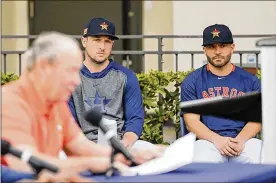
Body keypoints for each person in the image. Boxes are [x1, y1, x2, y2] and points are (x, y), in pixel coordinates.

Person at [2, 32, 164, 173]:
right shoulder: (9, 102)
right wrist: (93, 164)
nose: (76, 81)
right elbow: (24, 165)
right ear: (45, 67)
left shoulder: (55, 102)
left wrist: (130, 155)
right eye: (71, 71)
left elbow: (78, 145)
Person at [68, 17, 155, 150]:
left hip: (120, 142)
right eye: (97, 40)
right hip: (82, 145)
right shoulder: (70, 77)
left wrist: (125, 143)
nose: (102, 47)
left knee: (152, 152)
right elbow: (69, 123)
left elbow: (135, 119)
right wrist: (90, 148)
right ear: (84, 41)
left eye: (107, 41)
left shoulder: (126, 76)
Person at [180, 24, 262, 164]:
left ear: (232, 47)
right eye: (212, 47)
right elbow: (191, 122)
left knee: (259, 160)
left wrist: (240, 140)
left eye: (222, 46)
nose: (217, 51)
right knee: (203, 163)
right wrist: (218, 140)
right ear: (204, 50)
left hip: (244, 141)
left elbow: (256, 119)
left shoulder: (250, 80)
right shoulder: (192, 81)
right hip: (208, 142)